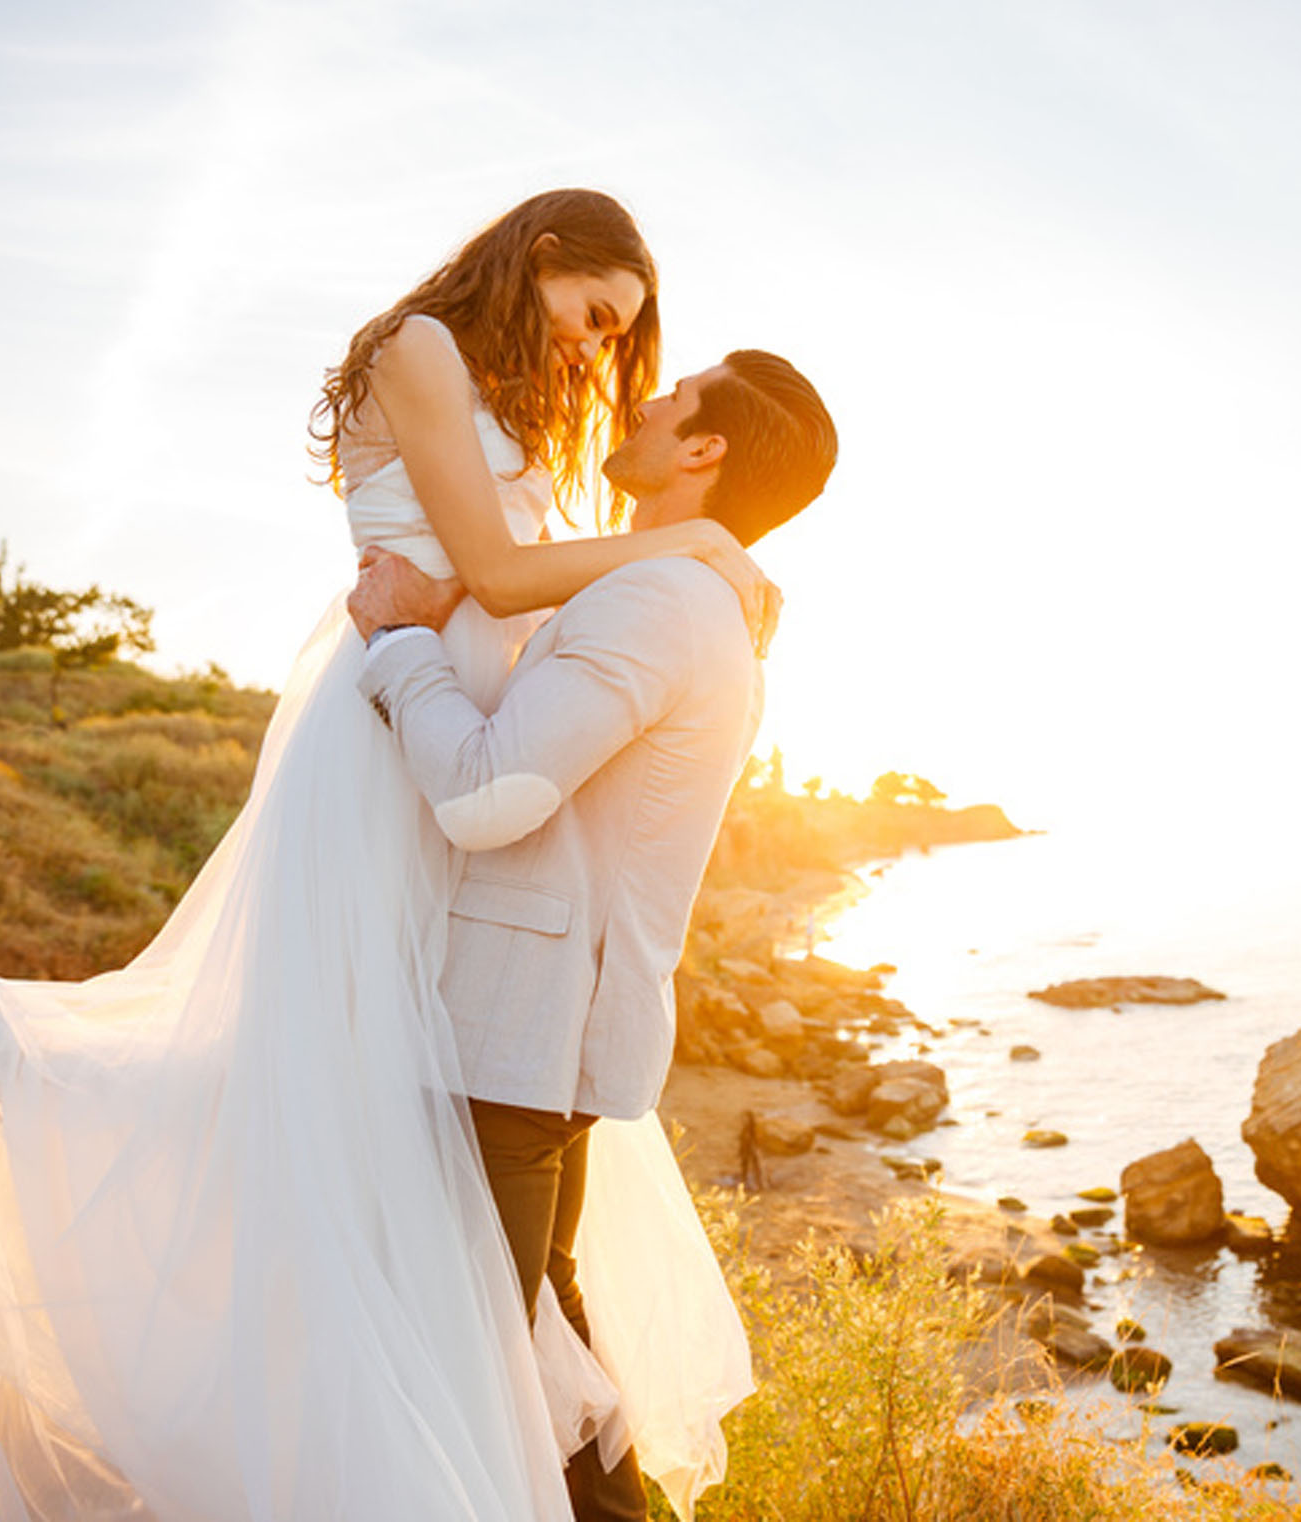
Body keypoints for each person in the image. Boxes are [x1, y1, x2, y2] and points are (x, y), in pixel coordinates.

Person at [0, 190, 811, 1521]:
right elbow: (502, 577)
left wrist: (637, 570)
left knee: (396, 1154)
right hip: (395, 736)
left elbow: (510, 597)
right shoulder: (422, 349)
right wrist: (691, 538)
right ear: (542, 257)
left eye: (620, 338)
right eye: (594, 316)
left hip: (457, 732)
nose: (595, 353)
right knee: (337, 1105)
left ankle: (460, 1447)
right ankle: (27, 1098)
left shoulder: (519, 398)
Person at [347, 348, 838, 1521]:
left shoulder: (660, 602)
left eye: (676, 397)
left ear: (702, 450)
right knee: (539, 1339)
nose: (645, 399)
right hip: (534, 1036)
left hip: (511, 1038)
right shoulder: (668, 590)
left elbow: (485, 793)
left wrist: (402, 641)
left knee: (476, 1362)